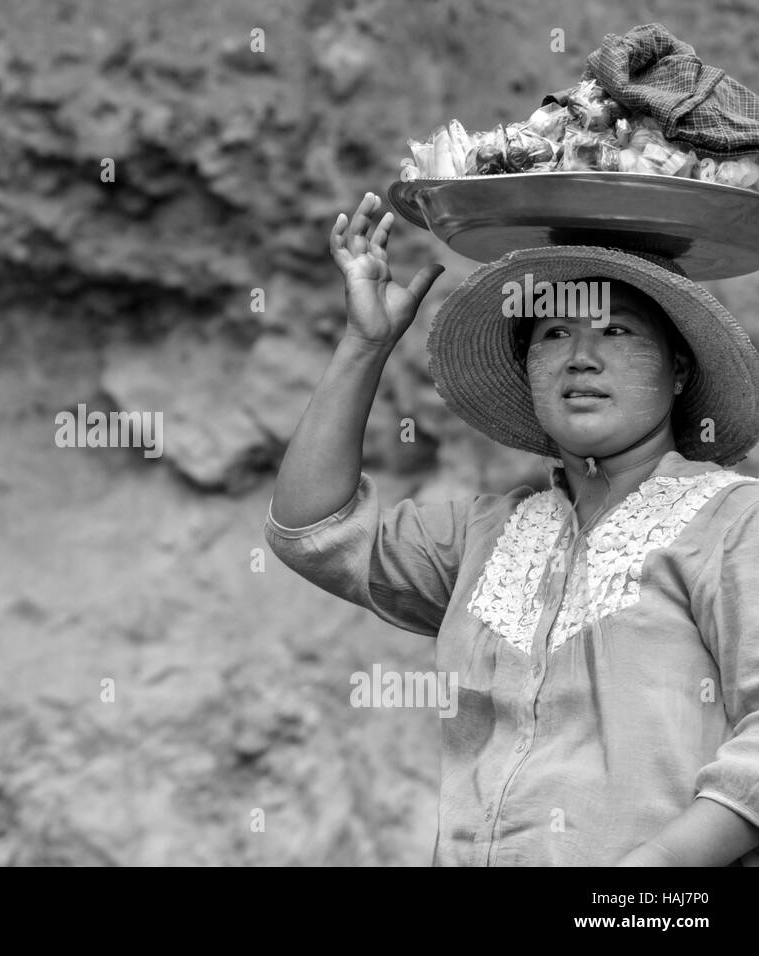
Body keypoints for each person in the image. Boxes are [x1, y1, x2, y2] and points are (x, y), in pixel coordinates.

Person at [263, 191, 759, 866]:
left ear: (677, 371)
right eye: (555, 334)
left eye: (617, 332)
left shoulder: (734, 521)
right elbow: (313, 528)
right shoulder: (489, 535)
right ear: (527, 370)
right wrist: (365, 345)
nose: (581, 357)